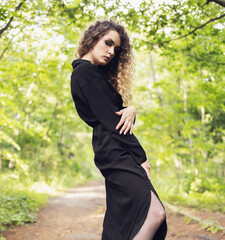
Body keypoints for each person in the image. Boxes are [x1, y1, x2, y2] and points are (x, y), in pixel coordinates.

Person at [70, 19, 167, 240]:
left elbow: (111, 113)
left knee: (123, 215)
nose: (112, 51)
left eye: (116, 48)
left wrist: (130, 109)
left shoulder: (91, 74)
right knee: (154, 212)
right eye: (107, 43)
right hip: (116, 151)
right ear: (93, 39)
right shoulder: (84, 72)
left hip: (113, 149)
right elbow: (112, 123)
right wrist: (141, 158)